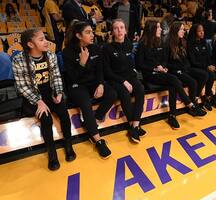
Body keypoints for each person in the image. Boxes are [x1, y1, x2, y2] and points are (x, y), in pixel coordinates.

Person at [12, 28, 76, 171]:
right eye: (41, 40)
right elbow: (21, 87)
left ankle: (68, 145)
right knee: (46, 119)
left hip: (50, 92)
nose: (46, 42)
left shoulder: (51, 56)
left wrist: (59, 93)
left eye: (45, 38)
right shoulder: (18, 60)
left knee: (64, 115)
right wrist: (38, 101)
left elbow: (57, 77)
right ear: (30, 44)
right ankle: (52, 154)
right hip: (33, 96)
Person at [136, 20, 206, 129]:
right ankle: (190, 104)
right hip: (150, 75)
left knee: (172, 85)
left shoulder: (160, 42)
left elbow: (164, 59)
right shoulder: (142, 44)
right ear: (152, 29)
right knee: (174, 79)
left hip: (161, 72)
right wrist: (155, 68)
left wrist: (163, 67)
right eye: (158, 27)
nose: (161, 29)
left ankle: (172, 115)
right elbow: (139, 65)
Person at [62, 21, 117, 158]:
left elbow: (100, 70)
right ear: (78, 35)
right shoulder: (67, 52)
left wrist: (100, 84)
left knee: (112, 94)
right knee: (85, 104)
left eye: (92, 32)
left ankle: (95, 118)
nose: (92, 35)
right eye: (88, 32)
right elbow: (73, 77)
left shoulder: (96, 48)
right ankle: (97, 140)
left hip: (93, 82)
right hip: (76, 85)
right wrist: (82, 63)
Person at [103, 19, 146, 143]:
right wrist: (123, 81)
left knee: (140, 89)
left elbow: (129, 64)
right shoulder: (107, 48)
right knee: (125, 94)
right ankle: (134, 125)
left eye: (122, 27)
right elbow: (108, 72)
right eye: (116, 28)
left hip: (128, 76)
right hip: (114, 78)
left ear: (126, 30)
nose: (119, 30)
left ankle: (135, 125)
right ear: (112, 32)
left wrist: (132, 76)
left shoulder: (128, 44)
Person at [167, 22, 209, 111]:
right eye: (181, 29)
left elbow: (185, 59)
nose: (184, 31)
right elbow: (167, 63)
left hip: (184, 68)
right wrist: (181, 67)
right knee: (193, 82)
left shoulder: (183, 41)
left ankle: (197, 99)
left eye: (184, 29)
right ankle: (192, 106)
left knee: (204, 75)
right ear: (175, 31)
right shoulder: (168, 43)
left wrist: (186, 67)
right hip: (174, 70)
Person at [187, 23, 216, 110]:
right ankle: (202, 98)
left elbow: (208, 57)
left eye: (203, 31)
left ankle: (215, 97)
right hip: (195, 67)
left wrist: (210, 65)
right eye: (199, 31)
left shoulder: (203, 42)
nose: (202, 33)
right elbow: (193, 62)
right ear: (194, 32)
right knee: (209, 75)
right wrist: (207, 67)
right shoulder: (190, 44)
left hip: (205, 66)